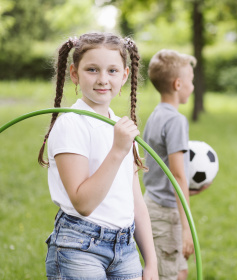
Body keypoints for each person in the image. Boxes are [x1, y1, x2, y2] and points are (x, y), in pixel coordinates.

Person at [38, 32, 158, 280]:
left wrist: (152, 263)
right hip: (79, 247)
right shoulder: (71, 125)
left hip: (125, 249)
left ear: (125, 75)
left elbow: (136, 202)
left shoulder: (122, 128)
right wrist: (117, 151)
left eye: (112, 71)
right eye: (92, 69)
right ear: (74, 73)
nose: (103, 79)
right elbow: (83, 203)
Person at [142, 49, 207, 280]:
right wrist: (186, 228)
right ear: (179, 84)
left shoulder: (156, 115)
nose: (193, 85)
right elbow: (178, 175)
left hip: (154, 202)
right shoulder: (176, 120)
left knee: (180, 272)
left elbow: (161, 170)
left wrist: (189, 191)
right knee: (166, 274)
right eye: (191, 80)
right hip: (166, 214)